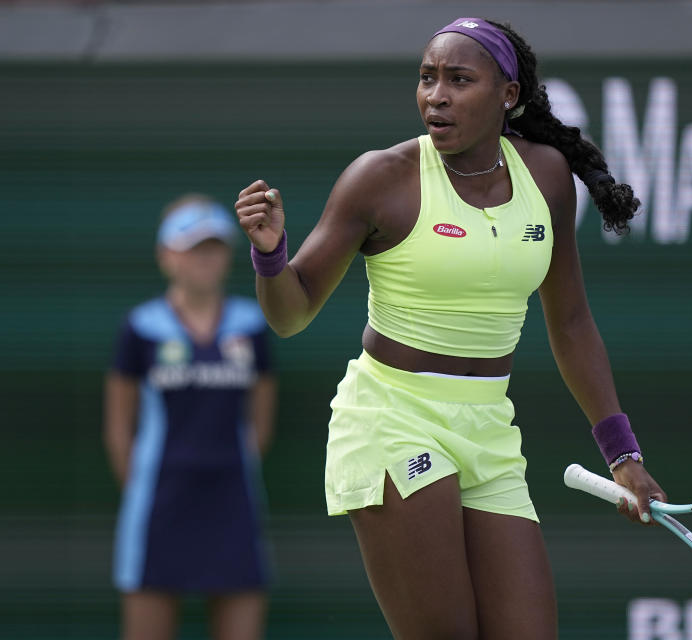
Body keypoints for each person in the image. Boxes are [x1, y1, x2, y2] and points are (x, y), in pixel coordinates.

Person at [235, 17, 665, 639]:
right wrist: (272, 255)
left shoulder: (545, 178)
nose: (436, 94)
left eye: (459, 80)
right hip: (393, 420)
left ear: (507, 95)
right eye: (427, 78)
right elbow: (290, 314)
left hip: (489, 428)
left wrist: (623, 455)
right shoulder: (381, 178)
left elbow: (570, 322)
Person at [103, 194, 276, 640]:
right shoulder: (141, 328)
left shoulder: (251, 325)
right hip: (160, 505)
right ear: (166, 256)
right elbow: (119, 425)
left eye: (215, 247)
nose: (206, 258)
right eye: (193, 247)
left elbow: (261, 419)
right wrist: (144, 483)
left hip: (233, 501)